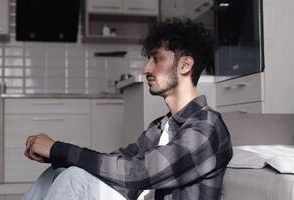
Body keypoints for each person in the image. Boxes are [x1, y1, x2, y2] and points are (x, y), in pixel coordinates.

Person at [23, 18, 233, 200]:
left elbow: (140, 172)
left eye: (157, 59)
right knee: (59, 170)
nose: (146, 68)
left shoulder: (207, 127)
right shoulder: (160, 127)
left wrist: (57, 148)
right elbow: (117, 162)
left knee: (74, 178)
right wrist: (59, 156)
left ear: (185, 65)